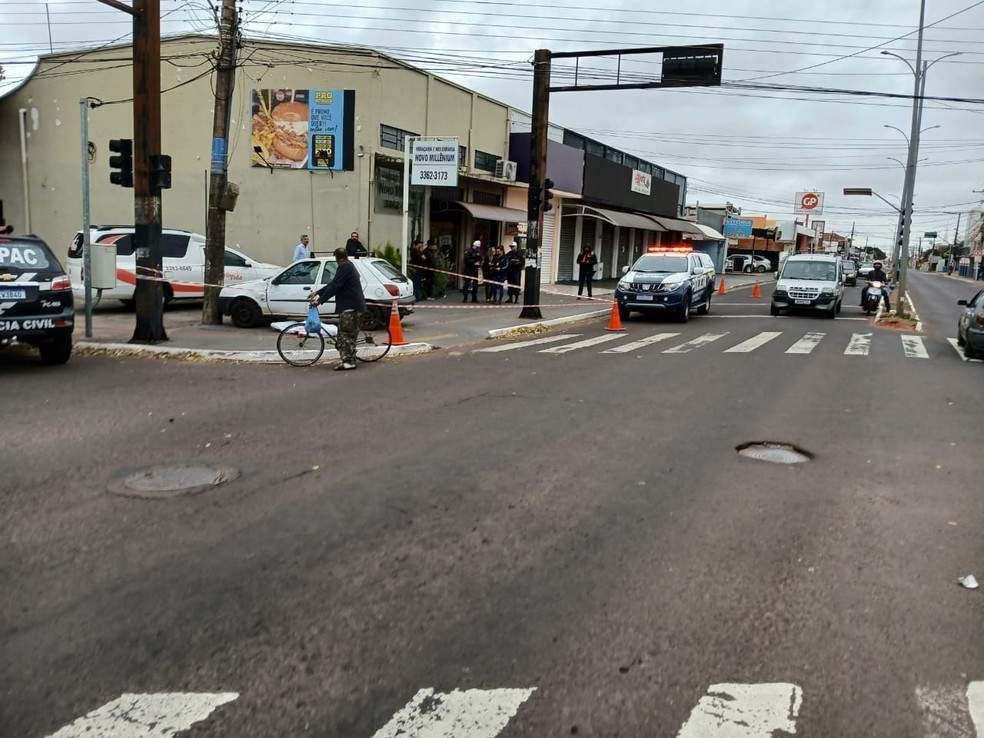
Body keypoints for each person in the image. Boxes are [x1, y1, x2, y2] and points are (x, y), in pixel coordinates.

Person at [309, 248, 366, 371]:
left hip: (350, 307)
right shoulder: (348, 265)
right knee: (345, 335)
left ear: (337, 258)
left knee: (346, 335)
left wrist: (319, 301)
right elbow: (334, 283)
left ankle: (349, 362)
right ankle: (350, 357)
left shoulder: (344, 267)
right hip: (354, 306)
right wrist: (317, 293)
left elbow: (335, 286)